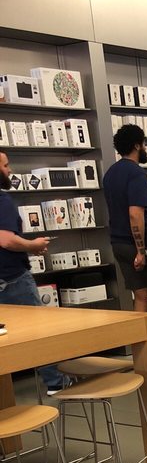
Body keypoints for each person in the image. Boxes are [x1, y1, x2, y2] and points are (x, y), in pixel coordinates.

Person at [0, 151, 69, 395]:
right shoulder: (2, 200)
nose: (9, 170)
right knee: (38, 331)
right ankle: (55, 382)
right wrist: (33, 245)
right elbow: (6, 240)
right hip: (12, 279)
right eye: (5, 165)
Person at [103, 124, 147, 320]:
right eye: (144, 143)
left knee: (141, 294)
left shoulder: (110, 174)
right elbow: (135, 214)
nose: (145, 148)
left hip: (119, 243)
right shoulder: (136, 173)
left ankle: (140, 339)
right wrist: (141, 250)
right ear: (137, 145)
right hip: (143, 245)